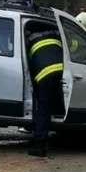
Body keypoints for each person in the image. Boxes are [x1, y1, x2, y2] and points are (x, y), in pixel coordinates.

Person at [25, 25, 64, 157]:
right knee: (60, 103)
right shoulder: (55, 32)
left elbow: (28, 64)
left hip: (44, 74)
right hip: (62, 71)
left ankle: (39, 147)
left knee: (42, 110)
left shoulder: (29, 38)